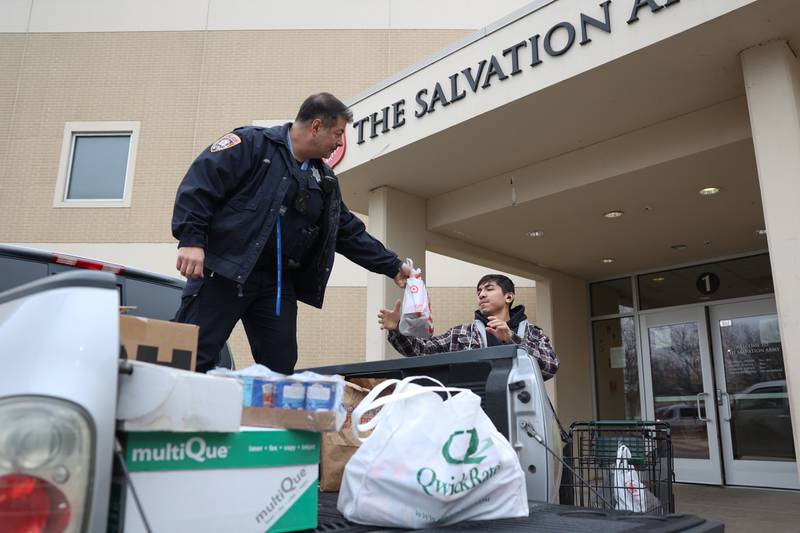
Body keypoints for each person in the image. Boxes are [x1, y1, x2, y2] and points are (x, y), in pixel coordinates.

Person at [172, 92, 411, 373]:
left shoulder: (324, 180)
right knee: (189, 356)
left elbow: (347, 231)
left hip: (275, 284)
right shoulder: (251, 144)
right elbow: (199, 186)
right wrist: (192, 240)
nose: (338, 143)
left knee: (280, 367)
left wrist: (393, 265)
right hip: (224, 269)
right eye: (337, 134)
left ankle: (265, 417)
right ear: (316, 126)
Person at [378, 274, 559, 380]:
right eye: (479, 291)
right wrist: (397, 330)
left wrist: (512, 338)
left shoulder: (533, 333)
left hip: (524, 413)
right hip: (476, 411)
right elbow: (421, 351)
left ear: (509, 297)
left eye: (489, 289)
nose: (481, 294)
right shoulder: (461, 333)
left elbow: (550, 367)